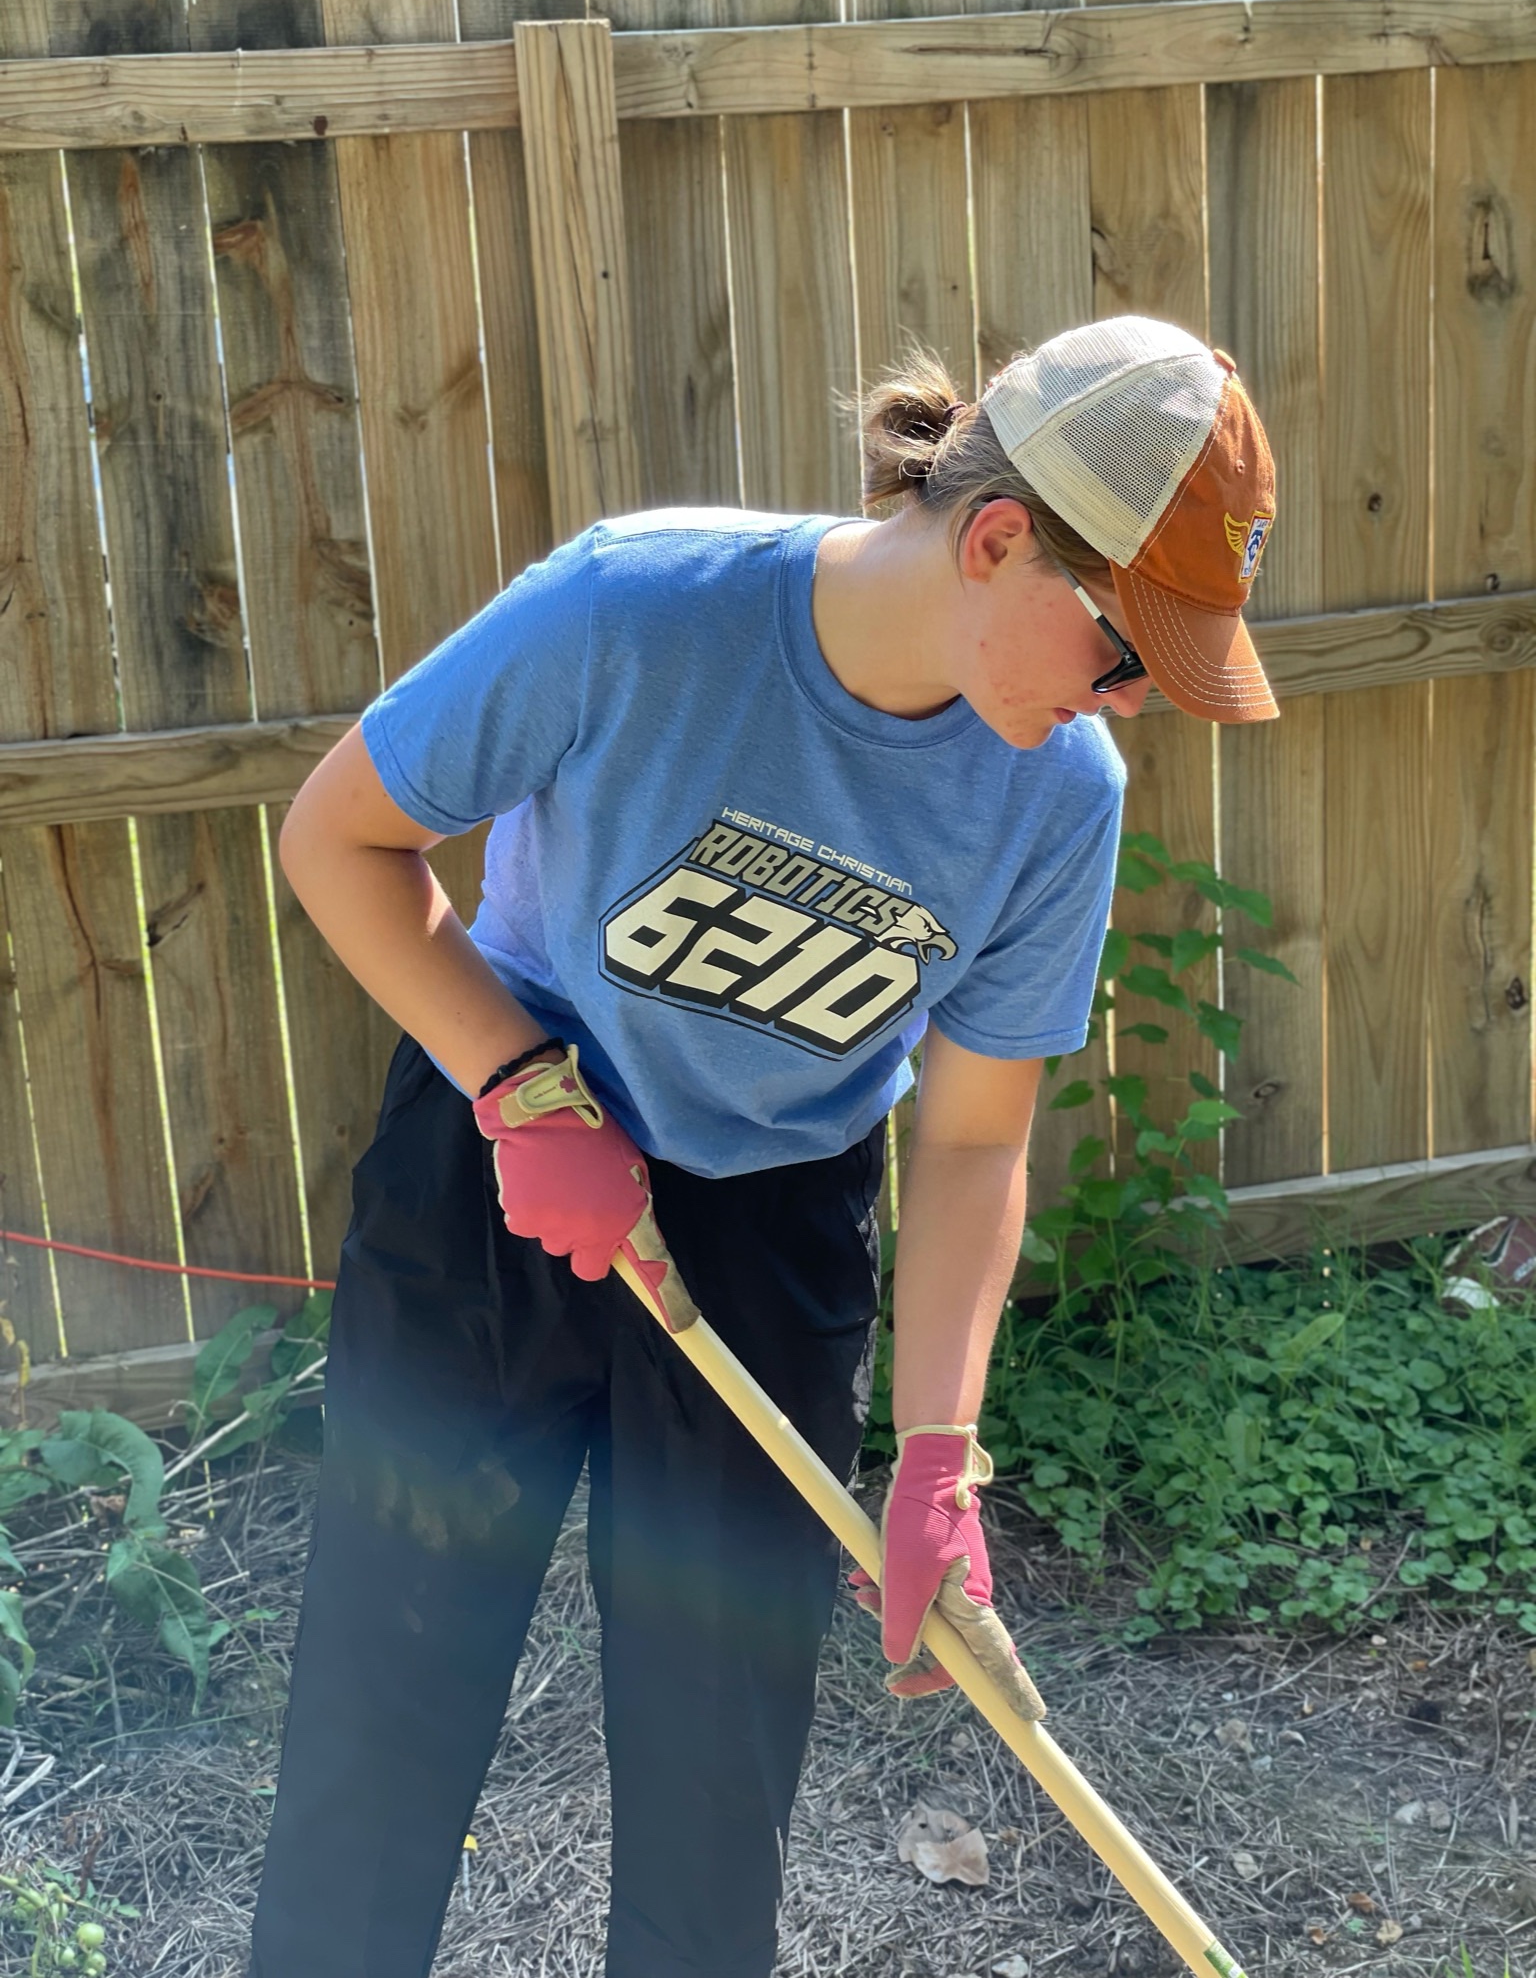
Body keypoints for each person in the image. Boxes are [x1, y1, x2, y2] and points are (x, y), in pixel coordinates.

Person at [248, 314, 1279, 1978]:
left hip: (773, 1232)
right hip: (501, 1179)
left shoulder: (1058, 794)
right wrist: (516, 1086)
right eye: (1119, 648)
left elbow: (973, 1141)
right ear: (997, 541)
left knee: (716, 1783)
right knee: (388, 1703)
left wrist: (938, 1454)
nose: (1132, 697)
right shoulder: (635, 608)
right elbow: (338, 836)